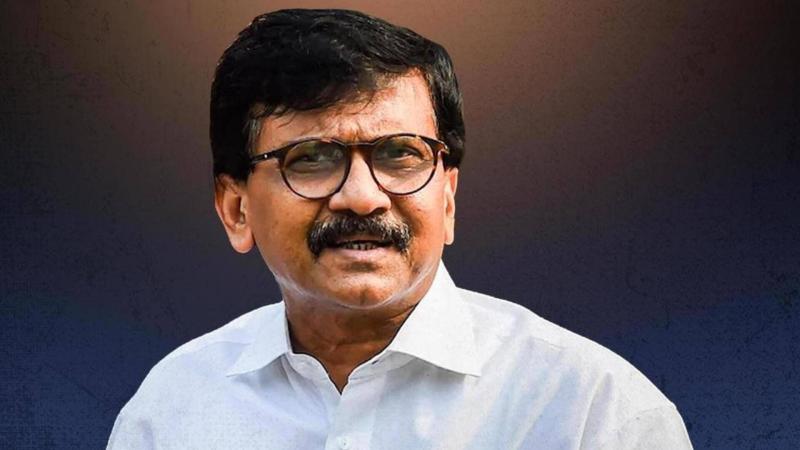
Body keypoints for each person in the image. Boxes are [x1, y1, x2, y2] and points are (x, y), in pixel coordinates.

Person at [108, 9, 692, 449]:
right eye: (310, 159)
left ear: (448, 197)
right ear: (236, 209)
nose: (363, 197)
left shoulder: (595, 413)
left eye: (400, 154)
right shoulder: (174, 410)